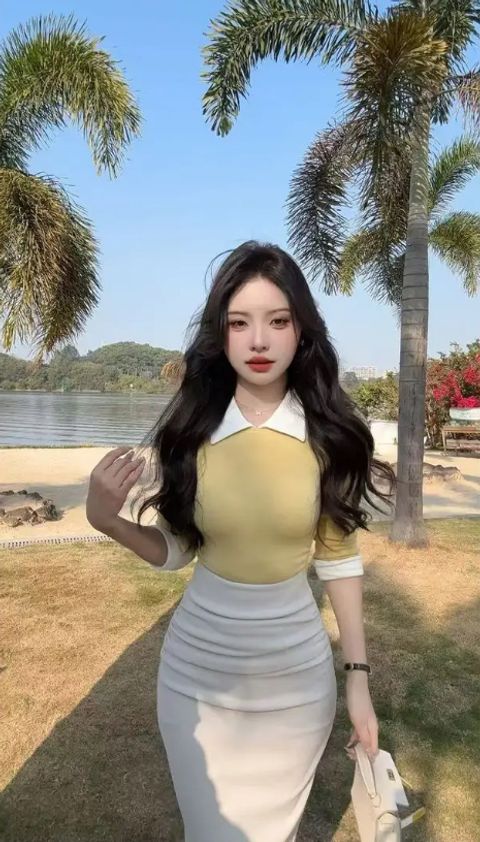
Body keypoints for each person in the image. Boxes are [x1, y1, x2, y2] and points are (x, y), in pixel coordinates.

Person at [86, 241, 395, 842]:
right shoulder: (191, 433)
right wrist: (110, 522)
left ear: (301, 331)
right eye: (239, 323)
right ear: (220, 334)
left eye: (277, 321)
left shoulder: (328, 438)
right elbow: (178, 548)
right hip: (196, 678)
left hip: (294, 680)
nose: (258, 340)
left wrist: (357, 679)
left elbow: (339, 560)